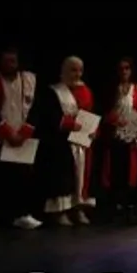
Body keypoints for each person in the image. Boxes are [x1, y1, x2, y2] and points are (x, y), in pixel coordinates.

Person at [0, 47, 42, 234]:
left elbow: (36, 108)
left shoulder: (29, 79)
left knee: (22, 177)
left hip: (22, 135)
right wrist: (7, 132)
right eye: (7, 61)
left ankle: (21, 215)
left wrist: (24, 132)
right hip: (0, 135)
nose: (11, 65)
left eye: (13, 61)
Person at [40, 56, 98, 226]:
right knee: (63, 177)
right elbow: (50, 117)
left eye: (80, 70)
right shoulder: (55, 91)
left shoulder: (86, 91)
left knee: (81, 176)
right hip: (61, 141)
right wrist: (70, 124)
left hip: (82, 141)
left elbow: (91, 114)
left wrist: (94, 130)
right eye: (73, 70)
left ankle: (78, 208)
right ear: (64, 71)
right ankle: (60, 211)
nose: (77, 74)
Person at [101, 57, 137, 218]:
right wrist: (114, 120)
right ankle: (116, 203)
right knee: (116, 168)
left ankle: (131, 203)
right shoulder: (112, 90)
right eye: (121, 69)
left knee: (133, 169)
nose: (124, 71)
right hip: (116, 134)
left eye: (127, 68)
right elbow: (105, 112)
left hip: (134, 134)